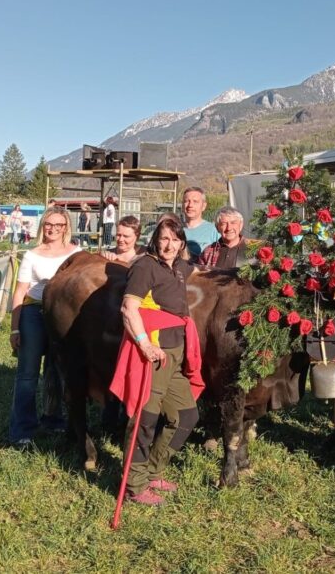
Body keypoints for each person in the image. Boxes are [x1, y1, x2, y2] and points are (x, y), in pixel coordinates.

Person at [112, 217, 204, 506]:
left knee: (187, 415)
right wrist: (145, 344)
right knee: (145, 419)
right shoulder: (145, 266)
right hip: (153, 352)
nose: (169, 245)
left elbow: (203, 271)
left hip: (176, 352)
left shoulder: (178, 267)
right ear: (155, 239)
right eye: (164, 239)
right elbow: (129, 309)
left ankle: (152, 471)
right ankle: (134, 486)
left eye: (175, 240)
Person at [7, 207, 81, 449]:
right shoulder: (32, 255)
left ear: (65, 228)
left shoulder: (76, 254)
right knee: (28, 374)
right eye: (48, 224)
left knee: (58, 370)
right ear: (42, 226)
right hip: (34, 313)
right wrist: (15, 328)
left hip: (63, 316)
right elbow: (20, 291)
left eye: (58, 225)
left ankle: (54, 419)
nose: (52, 229)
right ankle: (22, 430)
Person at [181, 187, 219, 259]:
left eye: (195, 201)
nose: (190, 205)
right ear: (182, 205)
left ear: (203, 206)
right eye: (186, 201)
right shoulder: (175, 229)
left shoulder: (214, 230)